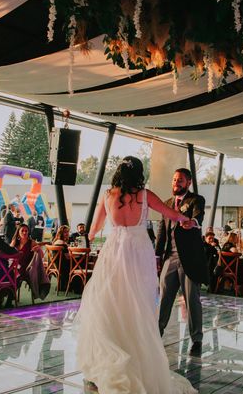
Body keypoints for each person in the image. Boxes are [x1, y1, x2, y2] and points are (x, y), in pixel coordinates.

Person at [76, 157, 196, 393]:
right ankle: (135, 352)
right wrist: (187, 221)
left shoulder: (108, 195)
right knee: (138, 303)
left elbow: (93, 230)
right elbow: (171, 214)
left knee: (109, 302)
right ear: (140, 174)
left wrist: (88, 236)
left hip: (114, 252)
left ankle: (110, 355)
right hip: (139, 254)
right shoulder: (145, 195)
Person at [155, 167, 208, 357]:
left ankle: (197, 340)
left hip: (190, 259)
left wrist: (192, 222)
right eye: (174, 179)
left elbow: (197, 217)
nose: (176, 183)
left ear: (188, 183)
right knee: (163, 299)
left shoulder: (196, 200)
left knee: (191, 299)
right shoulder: (167, 203)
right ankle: (155, 335)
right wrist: (157, 256)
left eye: (180, 180)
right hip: (170, 257)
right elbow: (162, 232)